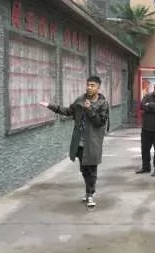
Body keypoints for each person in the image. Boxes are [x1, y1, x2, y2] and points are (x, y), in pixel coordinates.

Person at [39, 76, 110, 208]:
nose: (89, 87)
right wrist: (50, 106)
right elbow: (68, 111)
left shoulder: (103, 104)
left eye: (92, 85)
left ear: (98, 88)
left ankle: (90, 194)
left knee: (91, 170)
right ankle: (89, 191)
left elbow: (99, 123)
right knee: (84, 170)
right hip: (79, 142)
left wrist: (90, 109)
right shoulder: (80, 100)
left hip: (93, 143)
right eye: (88, 85)